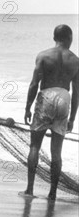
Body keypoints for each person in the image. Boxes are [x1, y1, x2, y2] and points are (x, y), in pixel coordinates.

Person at [21, 24, 78, 201]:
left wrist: (27, 107)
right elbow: (77, 92)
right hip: (64, 98)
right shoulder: (76, 60)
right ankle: (52, 193)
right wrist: (72, 119)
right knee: (56, 152)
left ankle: (30, 189)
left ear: (55, 38)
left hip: (46, 96)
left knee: (35, 146)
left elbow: (33, 84)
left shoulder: (43, 56)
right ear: (69, 38)